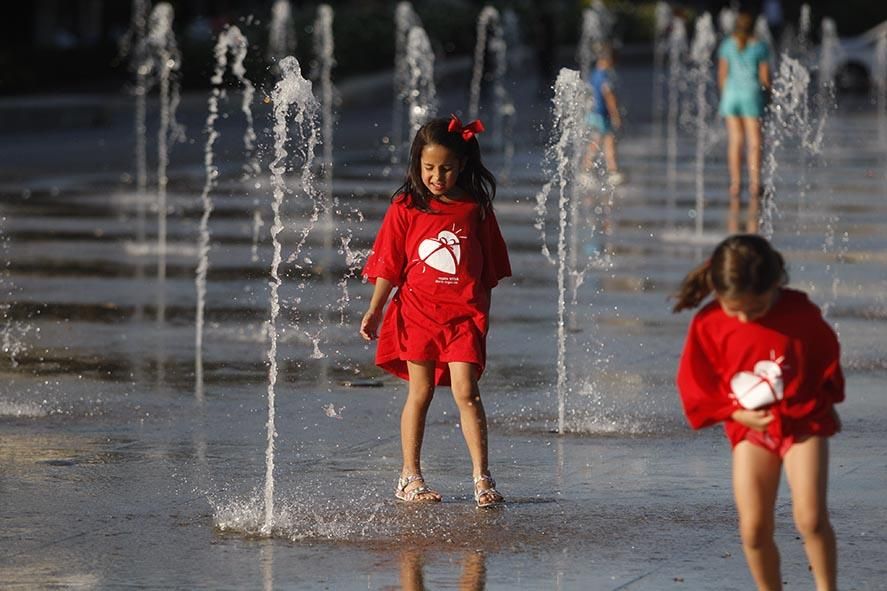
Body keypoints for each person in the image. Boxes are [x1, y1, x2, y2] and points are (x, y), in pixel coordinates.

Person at [673, 234, 843, 591]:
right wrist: (733, 413)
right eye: (736, 309)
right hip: (750, 429)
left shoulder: (800, 314)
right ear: (719, 292)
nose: (745, 317)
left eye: (756, 308)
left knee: (810, 519)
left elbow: (826, 356)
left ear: (775, 284)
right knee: (753, 529)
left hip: (802, 424)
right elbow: (694, 378)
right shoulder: (710, 321)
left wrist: (825, 398)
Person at [360, 115, 511, 508]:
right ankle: (409, 476)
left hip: (463, 315)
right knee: (420, 391)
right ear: (417, 165)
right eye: (429, 168)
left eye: (445, 168)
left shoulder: (474, 208)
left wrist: (482, 319)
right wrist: (375, 310)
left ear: (461, 164)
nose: (436, 176)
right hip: (417, 312)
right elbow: (390, 263)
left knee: (467, 392)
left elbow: (489, 270)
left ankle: (482, 477)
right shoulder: (406, 205)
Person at [718, 10, 771, 234]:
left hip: (731, 95)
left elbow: (721, 74)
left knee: (735, 140)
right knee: (754, 140)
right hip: (751, 94)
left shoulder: (727, 45)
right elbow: (765, 78)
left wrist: (725, 93)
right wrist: (769, 94)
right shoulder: (759, 46)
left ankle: (735, 183)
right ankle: (754, 183)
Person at [583, 44, 624, 186]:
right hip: (602, 115)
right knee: (608, 142)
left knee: (595, 143)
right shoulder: (605, 76)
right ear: (610, 60)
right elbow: (609, 96)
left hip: (592, 114)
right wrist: (616, 115)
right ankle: (612, 171)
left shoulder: (594, 74)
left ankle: (587, 170)